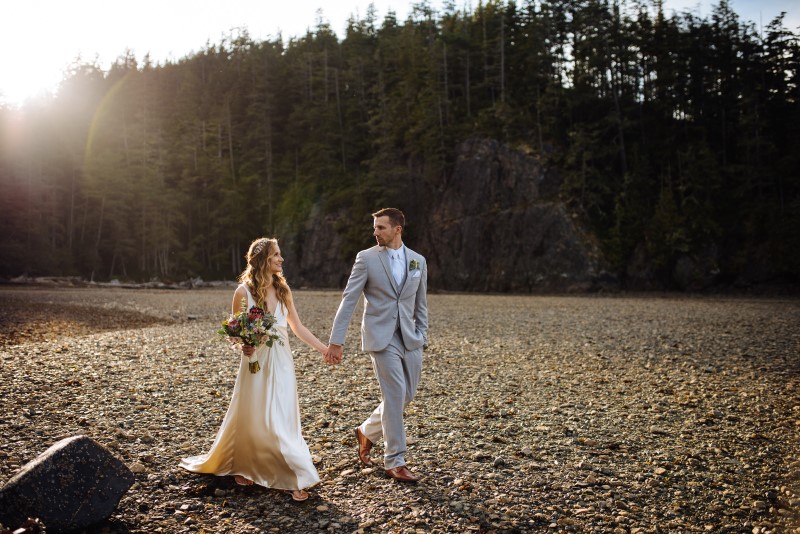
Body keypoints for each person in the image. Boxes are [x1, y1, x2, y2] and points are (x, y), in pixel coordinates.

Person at [180, 237, 327, 501]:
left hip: (281, 359)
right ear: (262, 260)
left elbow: (297, 327)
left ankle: (293, 472)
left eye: (280, 255)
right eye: (276, 255)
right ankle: (245, 463)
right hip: (255, 360)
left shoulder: (283, 290)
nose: (281, 260)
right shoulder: (242, 292)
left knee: (281, 413)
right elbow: (235, 331)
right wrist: (243, 347)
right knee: (253, 411)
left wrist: (324, 349)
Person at [326, 208, 428, 482]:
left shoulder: (418, 261)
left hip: (410, 338)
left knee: (407, 395)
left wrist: (423, 336)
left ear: (397, 229)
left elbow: (421, 304)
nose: (375, 232)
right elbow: (349, 299)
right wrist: (336, 341)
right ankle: (395, 460)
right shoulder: (366, 259)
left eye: (381, 227)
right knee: (395, 394)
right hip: (380, 338)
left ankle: (367, 431)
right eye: (375, 227)